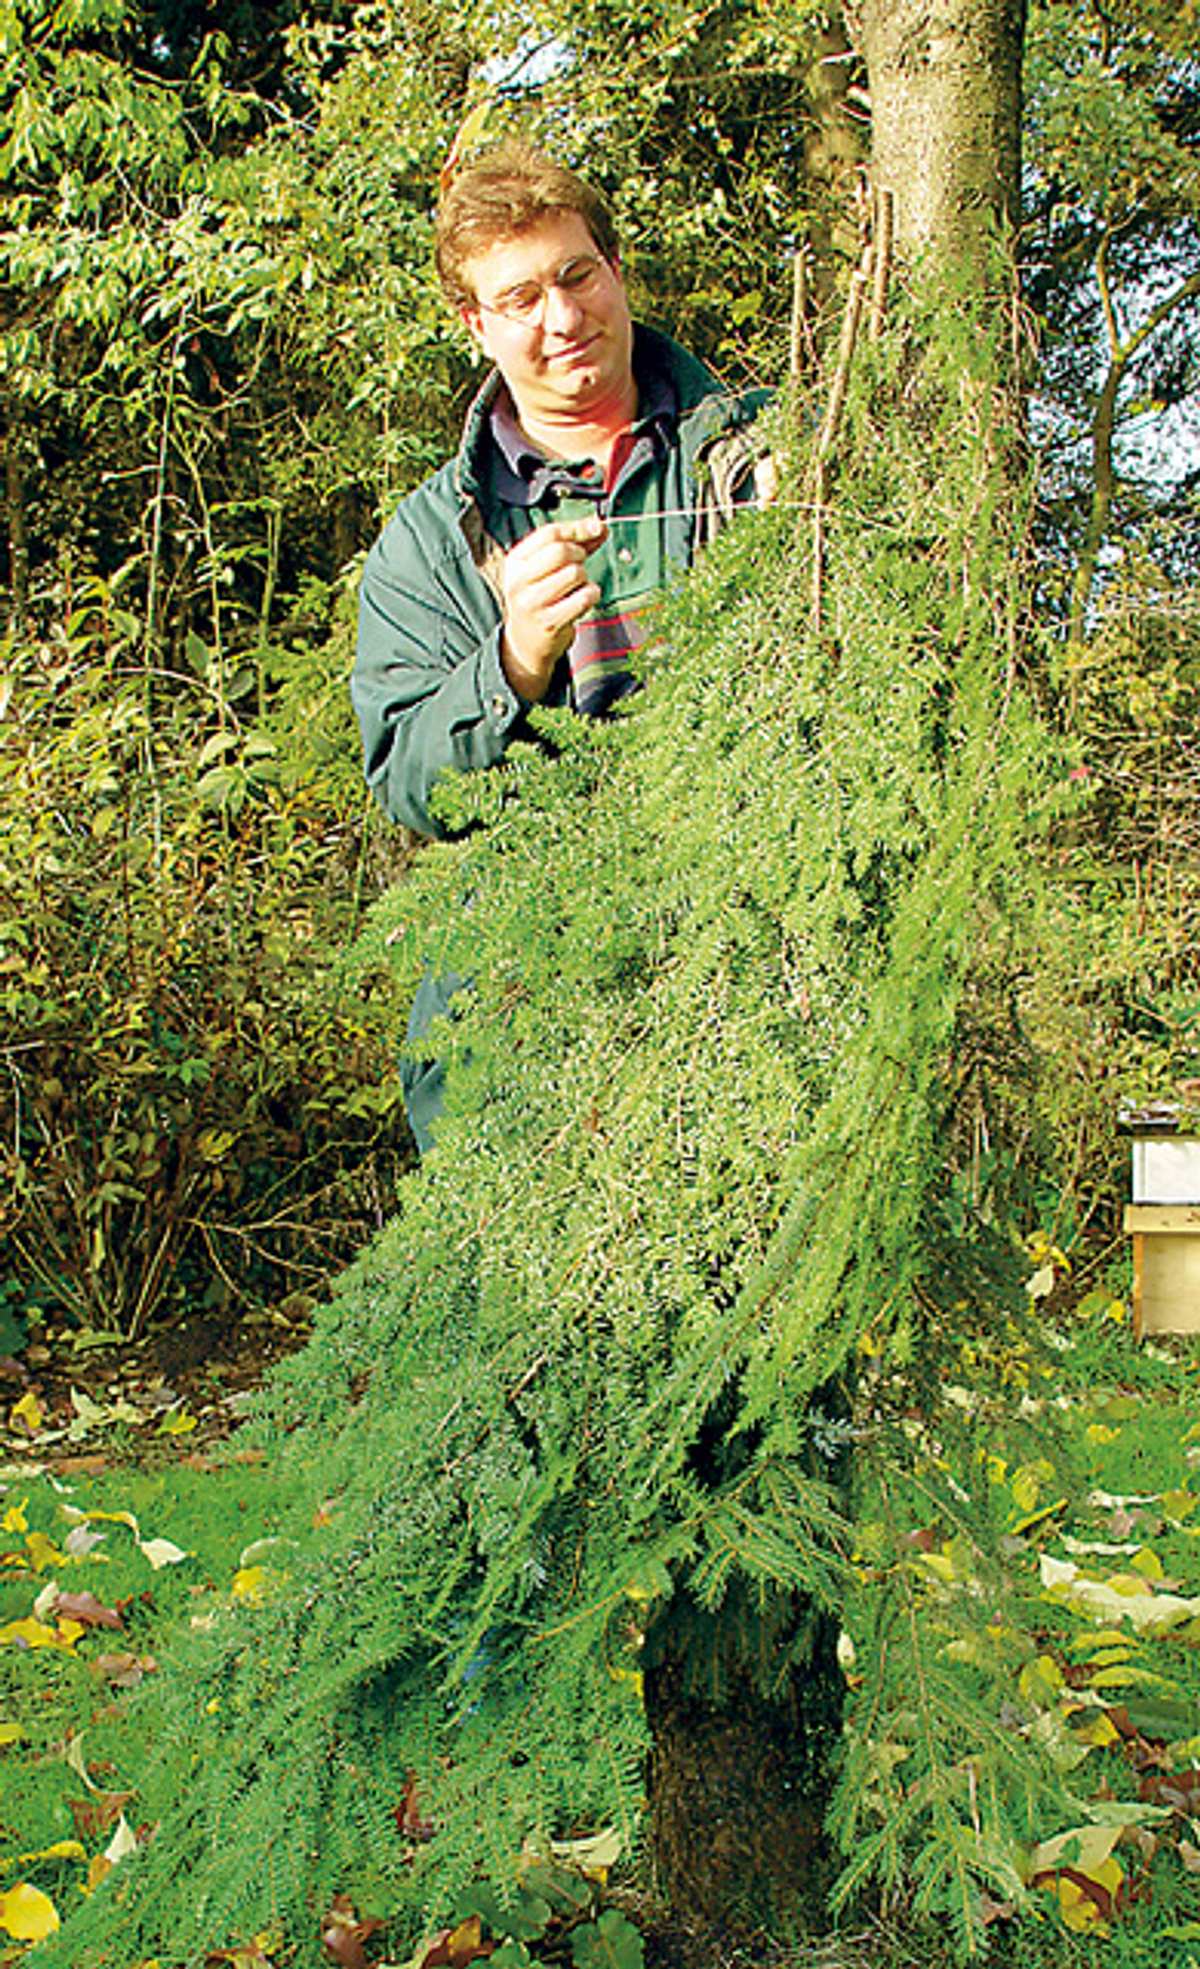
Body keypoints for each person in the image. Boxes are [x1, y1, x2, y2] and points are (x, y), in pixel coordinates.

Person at [352, 140, 773, 1152]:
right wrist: (510, 662)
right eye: (521, 296)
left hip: (748, 990)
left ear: (615, 268)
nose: (562, 318)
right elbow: (407, 776)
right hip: (516, 1020)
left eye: (578, 275)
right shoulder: (429, 538)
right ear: (476, 324)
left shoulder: (761, 458)